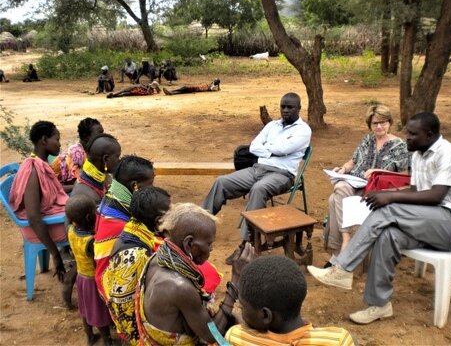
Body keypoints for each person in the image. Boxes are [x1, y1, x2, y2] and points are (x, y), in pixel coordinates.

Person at [307, 112, 451, 325]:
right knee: (388, 235)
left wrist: (390, 196)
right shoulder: (418, 155)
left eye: (413, 134)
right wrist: (392, 197)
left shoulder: (449, 154)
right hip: (426, 222)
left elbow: (435, 196)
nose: (407, 138)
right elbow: (416, 190)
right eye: (408, 133)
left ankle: (342, 268)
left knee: (388, 209)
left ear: (430, 134)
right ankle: (379, 305)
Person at [202, 92, 311, 262]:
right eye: (283, 106)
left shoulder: (304, 130)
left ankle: (246, 243)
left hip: (282, 174)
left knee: (259, 189)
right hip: (257, 169)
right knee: (221, 182)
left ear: (299, 108)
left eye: (290, 107)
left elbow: (284, 150)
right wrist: (273, 149)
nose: (286, 110)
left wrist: (268, 148)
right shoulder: (272, 125)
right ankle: (200, 223)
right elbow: (254, 147)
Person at [136, 203, 255, 345]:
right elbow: (212, 336)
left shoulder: (157, 258)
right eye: (209, 243)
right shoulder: (180, 287)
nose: (211, 249)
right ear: (189, 243)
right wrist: (236, 279)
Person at [325, 105, 410, 267]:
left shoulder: (399, 146)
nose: (379, 127)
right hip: (356, 183)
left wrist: (378, 171)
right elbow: (353, 161)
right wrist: (342, 169)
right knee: (341, 186)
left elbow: (404, 177)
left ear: (389, 123)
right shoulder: (367, 140)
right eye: (375, 123)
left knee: (333, 199)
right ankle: (346, 240)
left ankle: (338, 253)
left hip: (377, 191)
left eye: (383, 122)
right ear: (370, 125)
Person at [225, 256, 356, 346]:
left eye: (242, 307)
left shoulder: (236, 338)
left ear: (265, 315)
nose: (240, 311)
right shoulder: (339, 341)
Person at [102, 186, 171, 345]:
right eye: (170, 215)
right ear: (158, 221)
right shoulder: (135, 256)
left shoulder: (133, 230)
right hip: (135, 332)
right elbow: (125, 314)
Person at [61, 133, 122, 309]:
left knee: (82, 266)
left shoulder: (93, 176)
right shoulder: (86, 192)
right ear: (105, 159)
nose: (118, 160)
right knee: (85, 266)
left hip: (79, 230)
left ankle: (69, 290)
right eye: (116, 157)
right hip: (80, 233)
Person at [9, 121, 69, 282]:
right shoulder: (33, 170)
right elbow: (34, 218)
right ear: (44, 140)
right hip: (39, 227)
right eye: (56, 139)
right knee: (88, 225)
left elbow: (55, 190)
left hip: (47, 220)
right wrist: (56, 255)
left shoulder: (41, 163)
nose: (59, 143)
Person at [94, 155, 155, 298]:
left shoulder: (113, 196)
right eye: (150, 184)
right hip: (113, 289)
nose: (153, 189)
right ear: (135, 186)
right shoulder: (119, 225)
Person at [66, 195, 114, 346]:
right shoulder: (91, 242)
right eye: (95, 211)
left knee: (86, 309)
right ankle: (107, 340)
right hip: (93, 281)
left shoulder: (71, 230)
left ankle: (89, 337)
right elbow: (99, 259)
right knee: (98, 311)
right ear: (89, 217)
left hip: (81, 277)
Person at [51, 117, 105, 192]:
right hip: (58, 190)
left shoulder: (89, 151)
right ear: (86, 137)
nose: (103, 136)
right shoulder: (76, 153)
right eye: (99, 133)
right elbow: (79, 183)